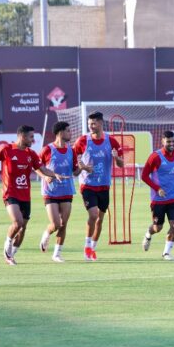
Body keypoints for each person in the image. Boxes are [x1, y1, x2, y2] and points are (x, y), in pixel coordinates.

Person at [0, 125, 67, 265]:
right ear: (22, 137)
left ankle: (12, 254)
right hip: (10, 193)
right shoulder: (6, 149)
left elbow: (42, 169)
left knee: (23, 228)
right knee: (17, 222)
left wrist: (55, 174)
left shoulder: (31, 154)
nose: (33, 140)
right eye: (31, 137)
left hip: (25, 195)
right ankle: (7, 246)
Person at [73, 111, 124, 261]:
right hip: (88, 185)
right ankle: (87, 245)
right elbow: (74, 162)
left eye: (94, 123)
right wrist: (81, 166)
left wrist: (116, 158)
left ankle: (92, 248)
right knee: (93, 215)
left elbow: (121, 164)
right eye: (89, 124)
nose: (91, 126)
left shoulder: (112, 141)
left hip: (104, 185)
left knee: (100, 220)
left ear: (101, 123)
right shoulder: (82, 141)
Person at [39, 121, 91, 263]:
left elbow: (75, 172)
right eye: (68, 130)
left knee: (63, 223)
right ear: (60, 132)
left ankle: (57, 254)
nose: (70, 133)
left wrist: (82, 168)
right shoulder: (47, 150)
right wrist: (45, 176)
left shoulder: (71, 150)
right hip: (50, 191)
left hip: (67, 191)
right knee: (55, 224)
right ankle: (47, 233)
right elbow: (36, 167)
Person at [141, 131, 174, 260]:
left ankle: (166, 253)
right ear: (162, 141)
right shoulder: (155, 157)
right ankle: (148, 234)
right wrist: (157, 189)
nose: (171, 144)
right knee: (157, 227)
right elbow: (144, 176)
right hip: (158, 200)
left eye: (173, 141)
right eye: (168, 141)